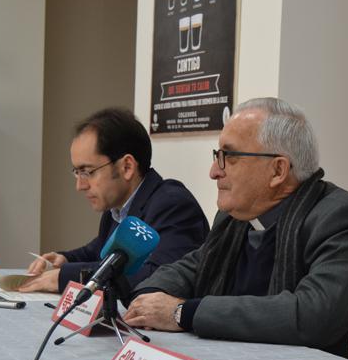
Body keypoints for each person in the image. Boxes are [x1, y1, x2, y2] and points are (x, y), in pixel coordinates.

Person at [123, 97, 348, 359]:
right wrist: (149, 297)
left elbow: (313, 315)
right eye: (217, 156)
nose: (214, 171)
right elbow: (191, 268)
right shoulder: (233, 220)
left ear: (278, 170)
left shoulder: (340, 217)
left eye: (229, 156)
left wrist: (183, 313)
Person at [19, 107, 209, 293]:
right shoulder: (117, 209)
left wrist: (66, 277)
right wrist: (65, 259)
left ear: (127, 167)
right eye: (77, 172)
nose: (80, 186)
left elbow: (156, 276)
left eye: (87, 172)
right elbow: (96, 252)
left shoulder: (172, 205)